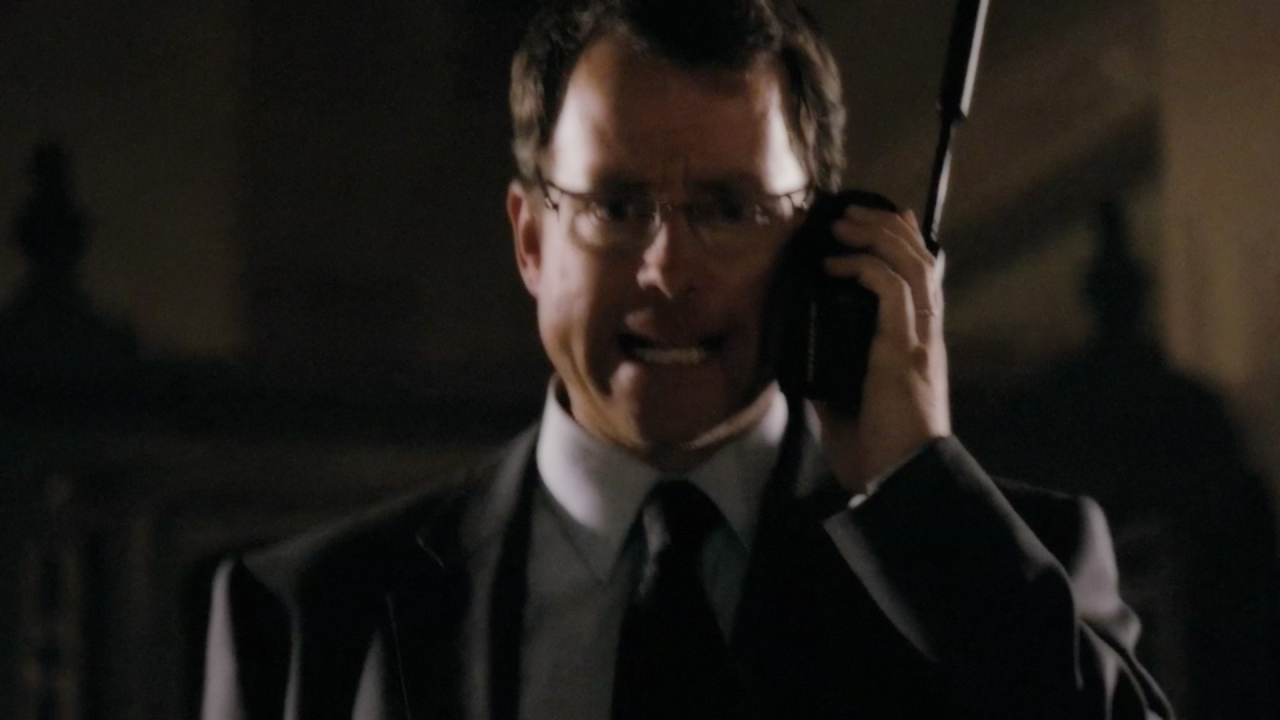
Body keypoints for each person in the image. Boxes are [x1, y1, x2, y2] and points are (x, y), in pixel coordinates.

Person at [200, 1, 1173, 718]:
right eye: (616, 207)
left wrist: (916, 491)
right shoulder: (304, 616)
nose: (667, 271)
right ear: (530, 239)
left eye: (731, 209)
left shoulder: (994, 566)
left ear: (824, 242)